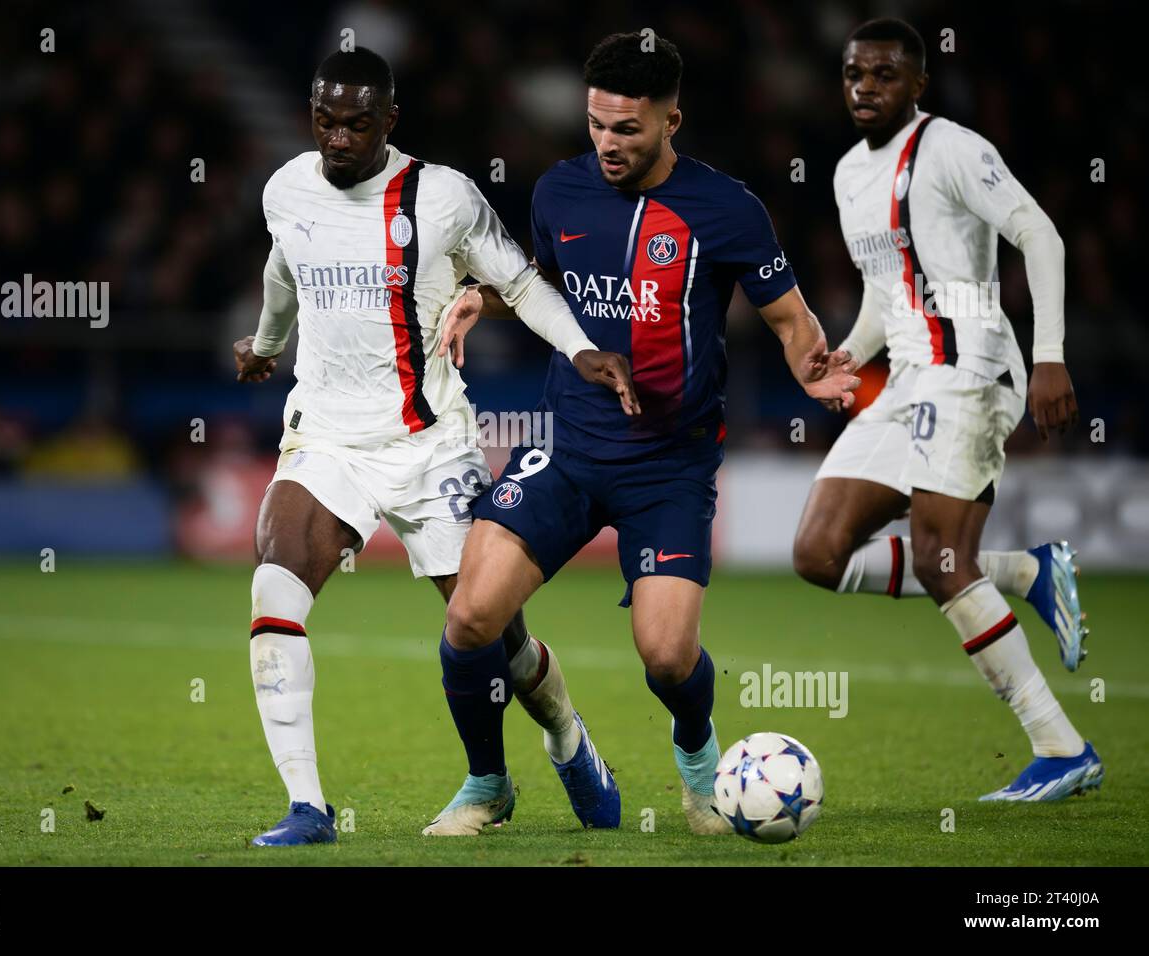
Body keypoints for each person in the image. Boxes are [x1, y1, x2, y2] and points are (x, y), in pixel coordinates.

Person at [423, 31, 857, 836]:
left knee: (664, 655)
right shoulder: (559, 193)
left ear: (671, 120)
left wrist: (815, 370)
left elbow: (791, 319)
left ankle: (698, 766)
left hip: (671, 462)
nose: (608, 143)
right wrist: (486, 293)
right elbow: (539, 285)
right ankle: (488, 784)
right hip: (569, 444)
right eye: (596, 124)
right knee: (471, 616)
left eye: (627, 128)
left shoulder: (726, 210)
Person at [235, 46, 640, 845]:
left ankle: (565, 734)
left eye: (357, 124)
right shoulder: (286, 188)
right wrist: (266, 341)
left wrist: (580, 348)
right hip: (327, 441)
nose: (339, 138)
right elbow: (285, 266)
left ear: (390, 121)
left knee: (489, 628)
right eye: (326, 121)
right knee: (274, 595)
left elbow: (519, 282)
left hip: (430, 445)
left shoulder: (443, 196)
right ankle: (308, 807)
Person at [792, 18, 1101, 801]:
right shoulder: (845, 174)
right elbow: (883, 292)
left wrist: (1052, 355)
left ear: (919, 84)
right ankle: (1027, 572)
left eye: (885, 75)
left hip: (970, 365)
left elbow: (1041, 235)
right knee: (819, 553)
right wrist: (848, 356)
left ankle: (1060, 746)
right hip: (904, 378)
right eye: (855, 73)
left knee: (938, 559)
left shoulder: (953, 148)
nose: (866, 87)